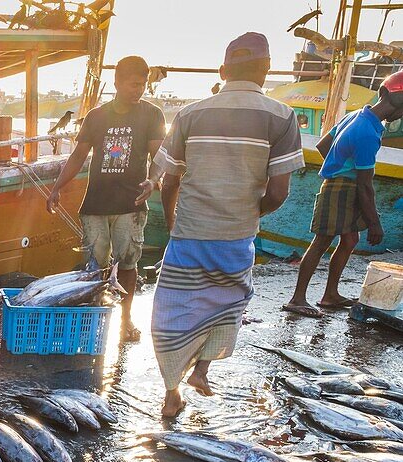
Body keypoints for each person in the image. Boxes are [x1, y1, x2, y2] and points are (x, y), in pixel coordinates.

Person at [143, 33, 302, 418]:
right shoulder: (282, 117)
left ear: (222, 70)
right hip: (236, 236)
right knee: (226, 305)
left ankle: (171, 393)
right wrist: (248, 213)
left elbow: (168, 179)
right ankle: (202, 370)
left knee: (175, 310)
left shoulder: (191, 114)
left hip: (190, 233)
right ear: (265, 71)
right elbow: (279, 192)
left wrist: (171, 216)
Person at [46, 55, 165, 341]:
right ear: (118, 82)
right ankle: (95, 322)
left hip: (131, 204)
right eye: (134, 84)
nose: (139, 90)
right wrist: (57, 187)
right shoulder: (97, 117)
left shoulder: (152, 114)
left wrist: (153, 180)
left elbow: (159, 156)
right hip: (96, 204)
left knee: (127, 264)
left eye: (143, 85)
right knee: (96, 267)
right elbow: (78, 156)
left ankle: (125, 320)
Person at [284, 70, 403, 318]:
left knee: (349, 240)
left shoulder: (357, 116)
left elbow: (323, 144)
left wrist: (337, 163)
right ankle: (297, 299)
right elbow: (365, 186)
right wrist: (374, 223)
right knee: (321, 242)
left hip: (343, 185)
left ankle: (330, 295)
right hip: (341, 190)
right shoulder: (367, 133)